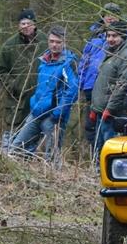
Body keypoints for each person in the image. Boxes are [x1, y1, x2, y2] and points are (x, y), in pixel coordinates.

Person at [11, 25, 79, 163]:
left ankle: (54, 181)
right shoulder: (43, 61)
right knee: (16, 148)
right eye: (52, 41)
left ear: (64, 43)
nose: (54, 45)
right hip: (36, 112)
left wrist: (58, 114)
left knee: (52, 157)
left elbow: (72, 90)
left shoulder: (68, 63)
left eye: (58, 42)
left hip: (53, 117)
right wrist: (34, 103)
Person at [0, 8, 47, 149]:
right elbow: (1, 70)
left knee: (35, 130)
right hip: (17, 99)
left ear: (35, 24)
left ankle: (28, 160)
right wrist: (13, 86)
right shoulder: (9, 46)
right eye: (22, 23)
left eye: (28, 23)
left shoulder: (45, 42)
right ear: (18, 26)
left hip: (39, 97)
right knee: (13, 130)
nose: (25, 26)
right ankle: (8, 158)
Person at [87, 20, 127, 166]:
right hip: (100, 111)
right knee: (98, 150)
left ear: (122, 37)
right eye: (108, 35)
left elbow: (122, 86)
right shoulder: (110, 53)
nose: (110, 39)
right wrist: (94, 108)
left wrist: (110, 109)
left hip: (112, 114)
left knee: (109, 153)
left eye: (114, 36)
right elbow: (101, 83)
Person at [77, 3, 122, 148]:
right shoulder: (94, 36)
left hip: (106, 91)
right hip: (89, 88)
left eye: (113, 14)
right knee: (90, 127)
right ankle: (93, 160)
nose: (110, 17)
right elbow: (84, 60)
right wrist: (81, 83)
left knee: (105, 127)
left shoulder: (122, 38)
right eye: (107, 14)